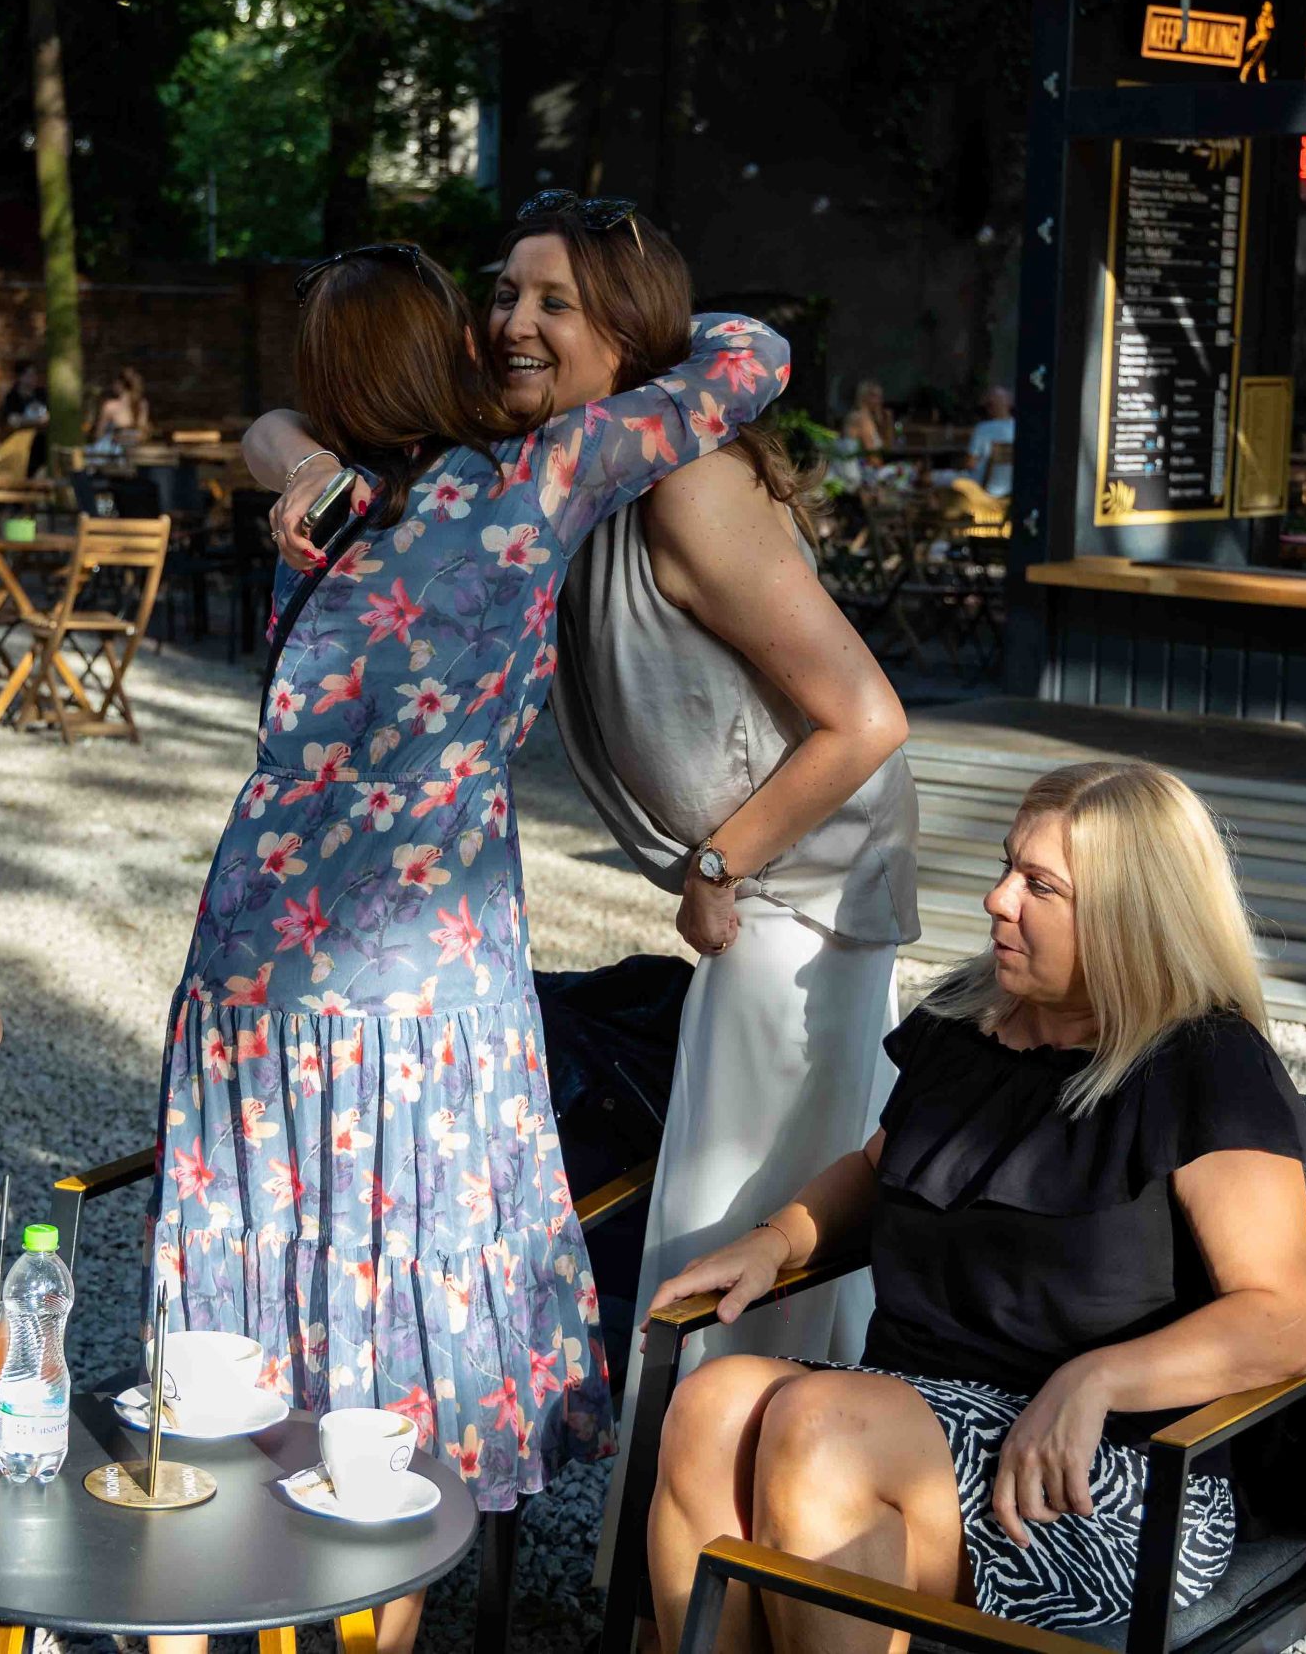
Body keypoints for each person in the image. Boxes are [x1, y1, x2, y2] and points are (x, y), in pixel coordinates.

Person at [152, 241, 789, 1653]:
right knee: (406, 1305)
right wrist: (616, 319)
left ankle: (224, 1592)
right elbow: (755, 354)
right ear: (442, 349)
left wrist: (292, 448)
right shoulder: (535, 476)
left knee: (266, 1277)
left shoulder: (323, 509)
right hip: (418, 967)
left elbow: (267, 431)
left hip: (251, 949)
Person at [467, 194, 917, 1576]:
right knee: (722, 1257)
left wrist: (721, 864)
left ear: (627, 334)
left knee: (732, 1263)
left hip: (797, 919)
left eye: (554, 301)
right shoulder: (584, 469)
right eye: (506, 292)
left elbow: (866, 716)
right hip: (765, 912)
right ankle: (711, 1578)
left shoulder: (685, 481)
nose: (514, 321)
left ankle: (728, 1584)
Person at [643, 760, 1306, 1653]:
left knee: (819, 1428)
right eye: (1008, 867)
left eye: (1041, 885)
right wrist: (777, 1239)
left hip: (1097, 1473)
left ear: (1131, 913)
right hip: (902, 1414)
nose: (998, 900)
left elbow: (1279, 1324)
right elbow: (878, 1171)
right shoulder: (968, 1022)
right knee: (709, 1407)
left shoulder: (1206, 1064)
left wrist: (1094, 1378)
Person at [967, 384, 1016, 498]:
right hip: (1011, 489)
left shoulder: (982, 428)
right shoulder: (1020, 428)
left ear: (989, 407)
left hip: (984, 488)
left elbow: (970, 463)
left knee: (935, 477)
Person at [94, 365, 150, 448]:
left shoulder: (110, 406)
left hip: (116, 448)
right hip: (132, 447)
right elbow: (143, 434)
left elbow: (99, 433)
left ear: (119, 385)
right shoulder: (142, 404)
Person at [841, 379, 893, 454]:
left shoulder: (868, 418)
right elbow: (871, 455)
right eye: (875, 397)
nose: (880, 401)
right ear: (864, 397)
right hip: (859, 461)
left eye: (880, 397)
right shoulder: (861, 419)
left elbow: (887, 447)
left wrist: (888, 422)